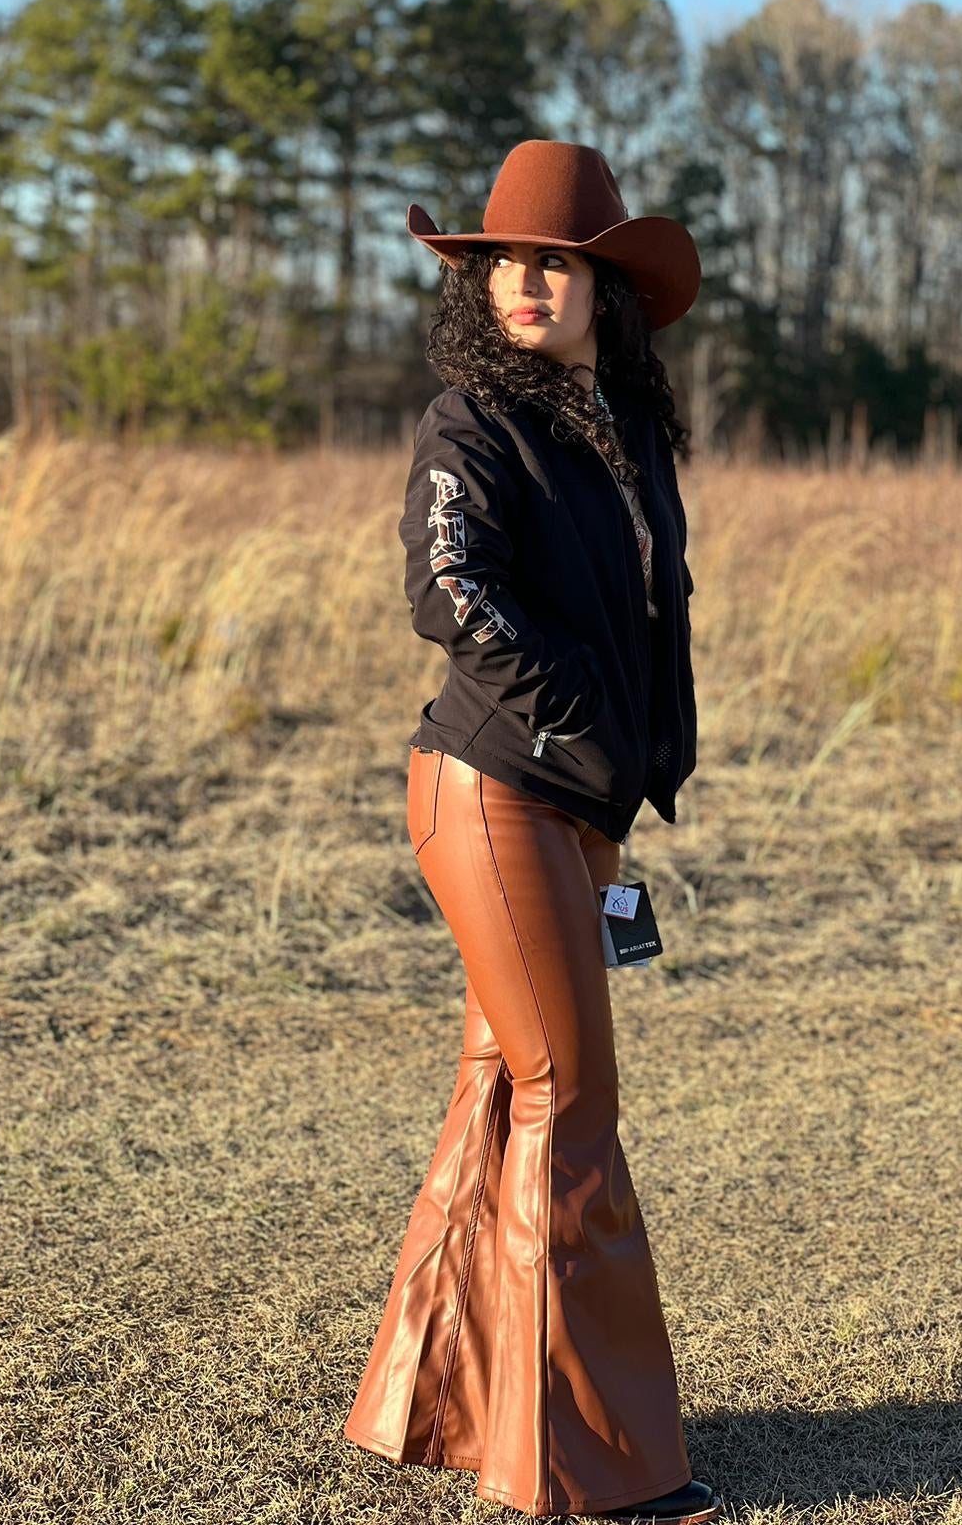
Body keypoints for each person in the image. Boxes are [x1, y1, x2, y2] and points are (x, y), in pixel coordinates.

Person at [343, 139, 720, 1524]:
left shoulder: (622, 440)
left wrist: (643, 759)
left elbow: (650, 620)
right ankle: (587, 1463)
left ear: (602, 292)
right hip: (491, 789)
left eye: (556, 263)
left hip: (581, 804)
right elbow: (452, 593)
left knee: (505, 1092)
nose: (527, 282)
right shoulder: (470, 426)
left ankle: (433, 1404)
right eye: (506, 260)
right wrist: (576, 722)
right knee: (574, 1101)